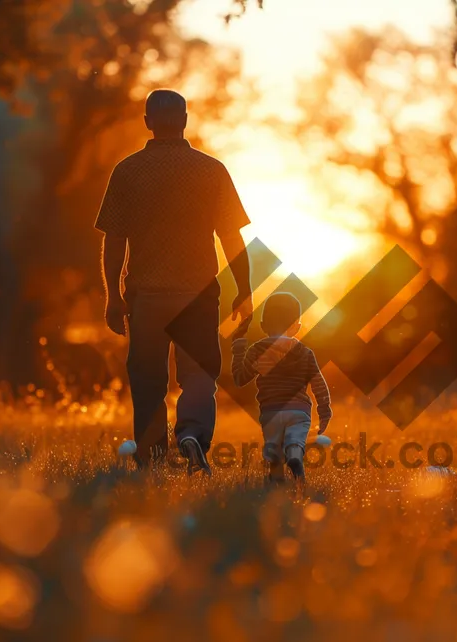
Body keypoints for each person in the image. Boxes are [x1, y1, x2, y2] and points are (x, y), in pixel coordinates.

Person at [97, 89, 252, 474]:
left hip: (146, 297)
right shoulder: (210, 170)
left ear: (147, 122)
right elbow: (231, 237)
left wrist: (113, 296)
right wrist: (245, 291)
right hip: (197, 294)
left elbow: (113, 240)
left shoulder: (128, 170)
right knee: (199, 374)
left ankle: (151, 456)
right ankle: (192, 436)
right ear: (185, 120)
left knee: (148, 377)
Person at [230, 292, 331, 484]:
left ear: (263, 325)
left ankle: (276, 482)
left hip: (271, 411)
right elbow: (319, 383)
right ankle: (294, 452)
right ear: (297, 327)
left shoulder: (258, 351)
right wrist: (324, 410)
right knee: (295, 439)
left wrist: (238, 347)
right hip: (298, 410)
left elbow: (240, 378)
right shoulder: (304, 352)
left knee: (274, 448)